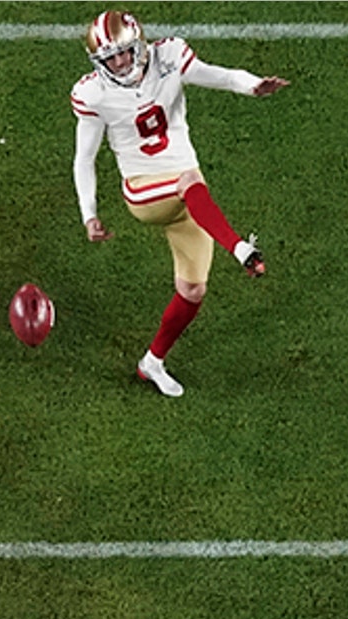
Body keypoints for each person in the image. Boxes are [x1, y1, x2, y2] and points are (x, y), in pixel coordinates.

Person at [70, 10, 287, 397]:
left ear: (139, 44)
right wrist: (89, 214)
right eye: (110, 58)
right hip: (144, 191)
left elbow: (220, 75)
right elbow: (84, 159)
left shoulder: (168, 56)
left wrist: (253, 86)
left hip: (190, 198)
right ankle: (241, 248)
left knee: (192, 291)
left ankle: (151, 363)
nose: (120, 63)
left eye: (124, 52)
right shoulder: (93, 94)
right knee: (189, 182)